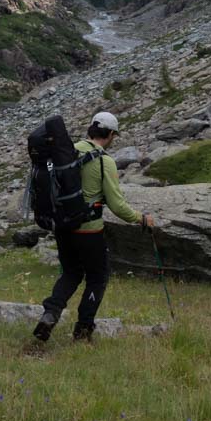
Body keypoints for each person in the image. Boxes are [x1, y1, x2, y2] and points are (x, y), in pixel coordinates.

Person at [33, 110, 153, 344]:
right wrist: (141, 218)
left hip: (63, 227)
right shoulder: (103, 160)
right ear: (109, 134)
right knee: (97, 277)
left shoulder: (66, 152)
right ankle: (83, 330)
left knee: (71, 272)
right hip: (89, 230)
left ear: (90, 129)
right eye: (113, 136)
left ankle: (50, 313)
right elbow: (117, 205)